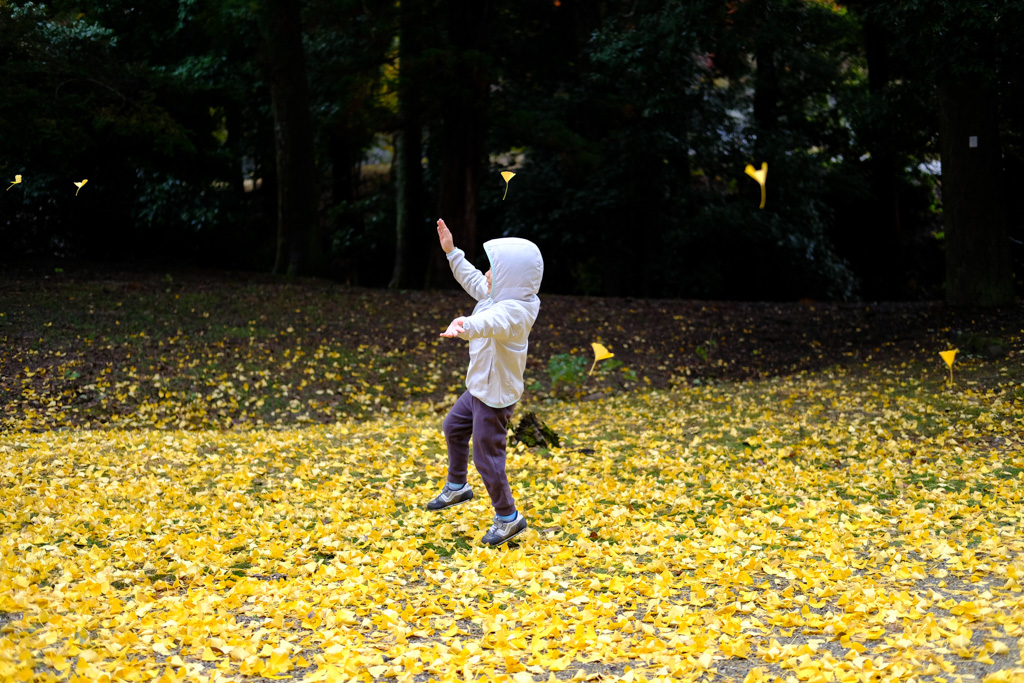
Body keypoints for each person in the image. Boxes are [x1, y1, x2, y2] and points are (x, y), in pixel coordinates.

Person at [429, 218, 544, 546]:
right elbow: (474, 281)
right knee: (453, 428)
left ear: (513, 278)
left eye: (495, 270)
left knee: (486, 456)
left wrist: (464, 323)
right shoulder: (497, 294)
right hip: (479, 386)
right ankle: (457, 487)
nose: (488, 274)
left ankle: (508, 517)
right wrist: (451, 252)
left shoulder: (516, 312)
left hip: (495, 396)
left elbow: (490, 322)